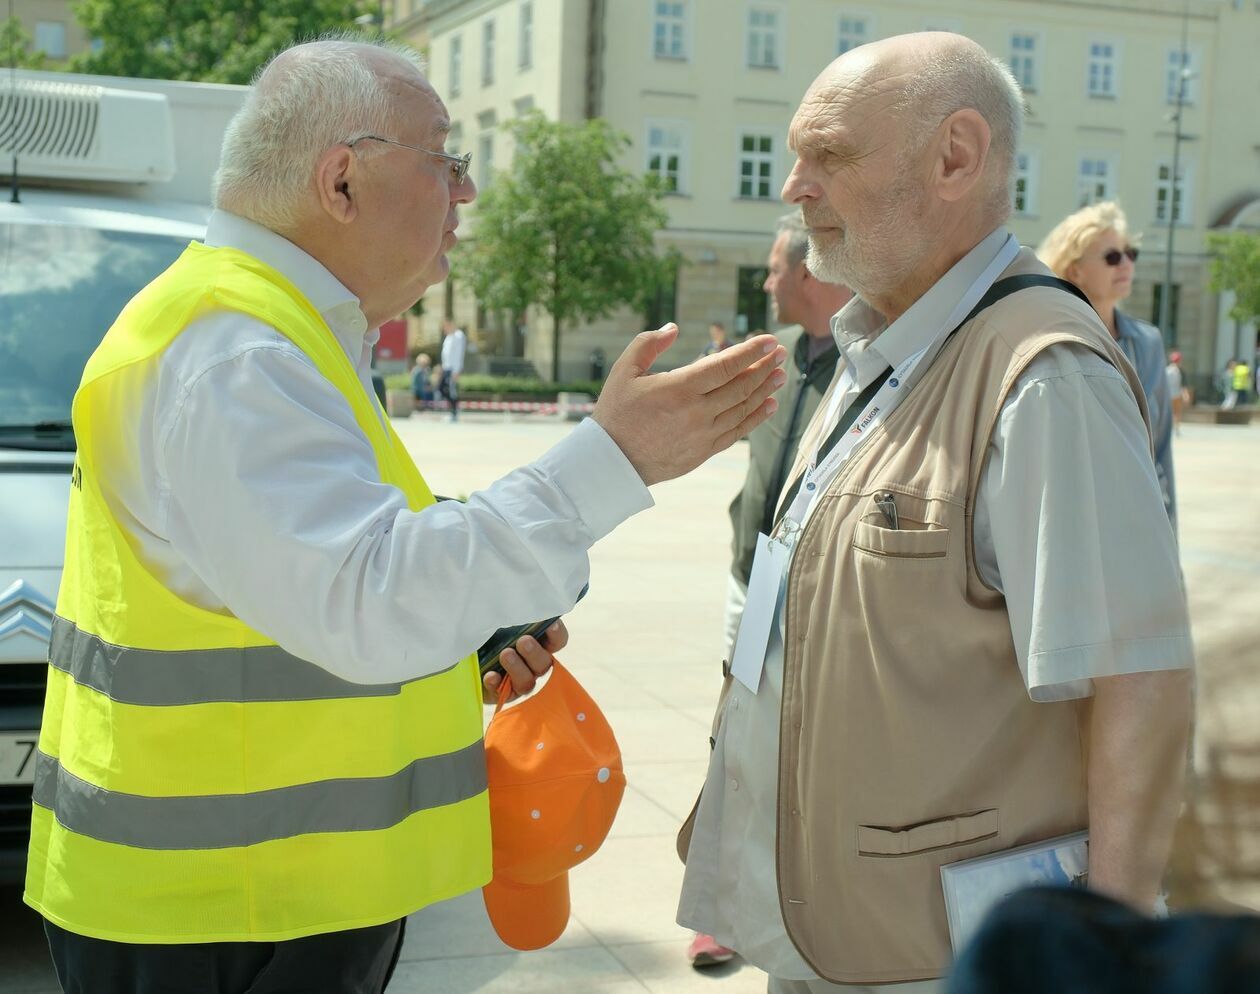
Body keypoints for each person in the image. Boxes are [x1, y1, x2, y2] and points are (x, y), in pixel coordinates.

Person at [25, 37, 788, 994]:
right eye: (446, 161)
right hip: (228, 920)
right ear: (341, 181)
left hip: (249, 901)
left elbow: (315, 586)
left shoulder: (261, 331)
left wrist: (465, 635)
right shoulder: (237, 354)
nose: (465, 194)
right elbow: (366, 600)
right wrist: (608, 462)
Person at [675, 32, 1193, 994]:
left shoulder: (1044, 376)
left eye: (828, 153)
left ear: (955, 156)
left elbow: (1137, 680)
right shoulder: (886, 339)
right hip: (831, 927)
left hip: (939, 954)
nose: (794, 186)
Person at [687, 210, 853, 972]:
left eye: (775, 267)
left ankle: (796, 896)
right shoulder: (773, 356)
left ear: (810, 273)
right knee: (735, 740)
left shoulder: (865, 361)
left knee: (801, 754)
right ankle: (719, 909)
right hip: (752, 587)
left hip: (818, 603)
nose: (766, 280)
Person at [1038, 202, 1177, 527]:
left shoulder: (1148, 343)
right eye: (1112, 257)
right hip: (1069, 524)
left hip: (1137, 522)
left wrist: (1169, 541)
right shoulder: (1049, 341)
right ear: (1075, 270)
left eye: (1131, 253)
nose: (1126, 263)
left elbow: (1160, 453)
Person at [439, 317, 466, 421]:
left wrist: (456, 371)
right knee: (441, 389)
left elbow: (459, 354)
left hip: (453, 369)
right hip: (446, 368)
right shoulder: (448, 337)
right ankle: (453, 410)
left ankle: (454, 413)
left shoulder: (458, 336)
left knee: (451, 391)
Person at [1165, 350, 1186, 434]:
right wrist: (1185, 394)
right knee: (1177, 412)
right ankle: (1176, 428)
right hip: (1177, 394)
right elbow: (1182, 384)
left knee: (1169, 413)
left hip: (1168, 394)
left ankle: (1171, 428)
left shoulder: (1166, 370)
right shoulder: (1179, 371)